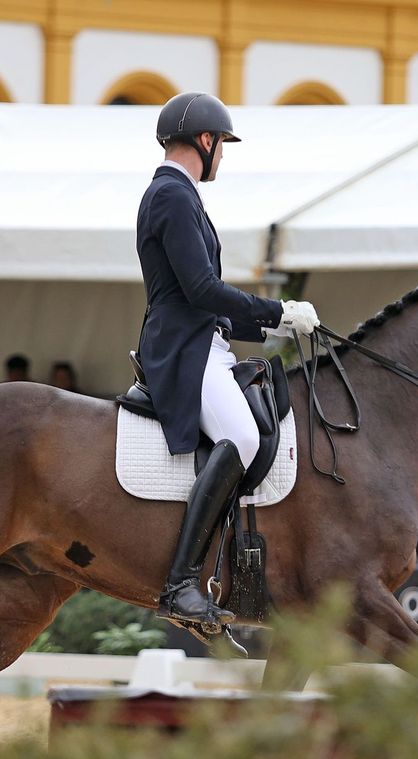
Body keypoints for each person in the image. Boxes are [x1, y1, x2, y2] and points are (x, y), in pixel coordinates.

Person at [137, 92, 320, 631]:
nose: (225, 157)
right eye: (224, 147)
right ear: (207, 141)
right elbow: (199, 289)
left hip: (201, 340)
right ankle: (179, 586)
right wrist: (277, 307)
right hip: (183, 351)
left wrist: (276, 324)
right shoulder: (171, 195)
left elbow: (207, 304)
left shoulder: (179, 194)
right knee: (240, 436)